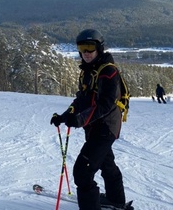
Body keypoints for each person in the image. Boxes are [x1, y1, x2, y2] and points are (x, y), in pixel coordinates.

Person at [50, 29, 126, 210]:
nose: (86, 52)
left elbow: (105, 105)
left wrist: (79, 120)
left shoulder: (108, 72)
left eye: (90, 47)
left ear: (99, 48)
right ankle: (116, 200)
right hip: (95, 127)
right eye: (82, 48)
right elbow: (82, 99)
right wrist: (65, 115)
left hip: (106, 127)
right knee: (106, 163)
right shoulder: (88, 71)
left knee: (82, 172)